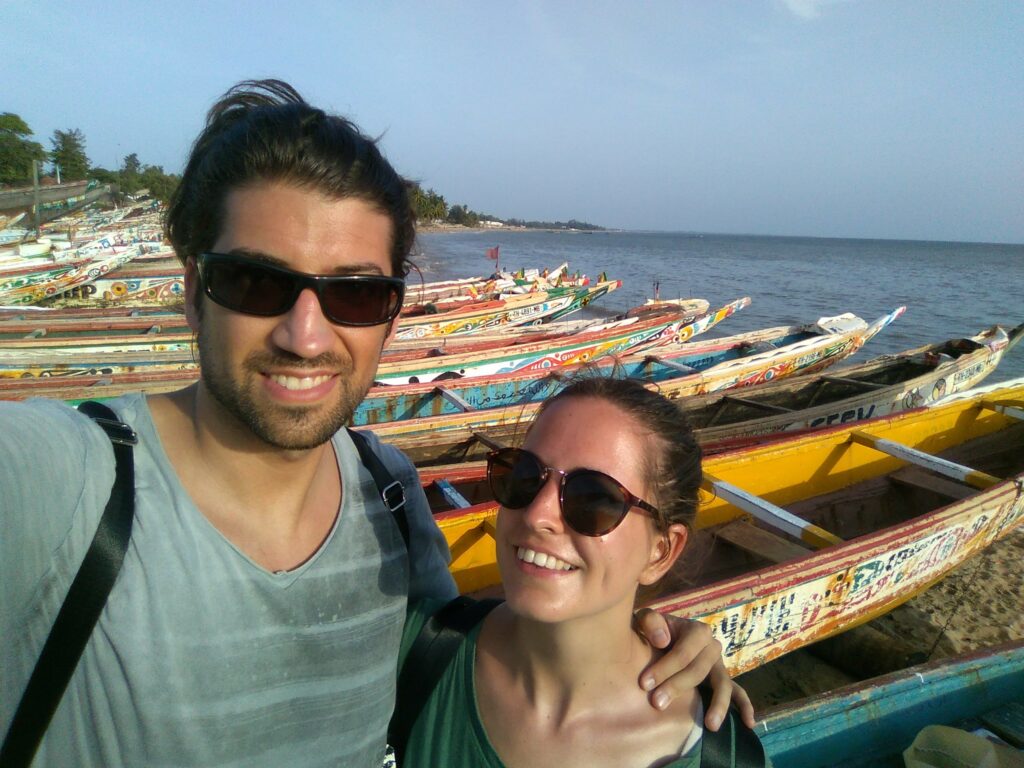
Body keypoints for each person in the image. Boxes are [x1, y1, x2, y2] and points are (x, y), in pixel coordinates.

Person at [1, 81, 747, 767]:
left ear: (390, 314)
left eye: (354, 295)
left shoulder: (391, 496)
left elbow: (474, 638)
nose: (306, 335)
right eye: (257, 281)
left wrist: (642, 636)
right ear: (195, 291)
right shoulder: (66, 481)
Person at [397, 377, 766, 767]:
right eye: (524, 476)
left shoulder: (723, 758)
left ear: (661, 552)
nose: (538, 514)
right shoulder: (411, 651)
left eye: (594, 498)